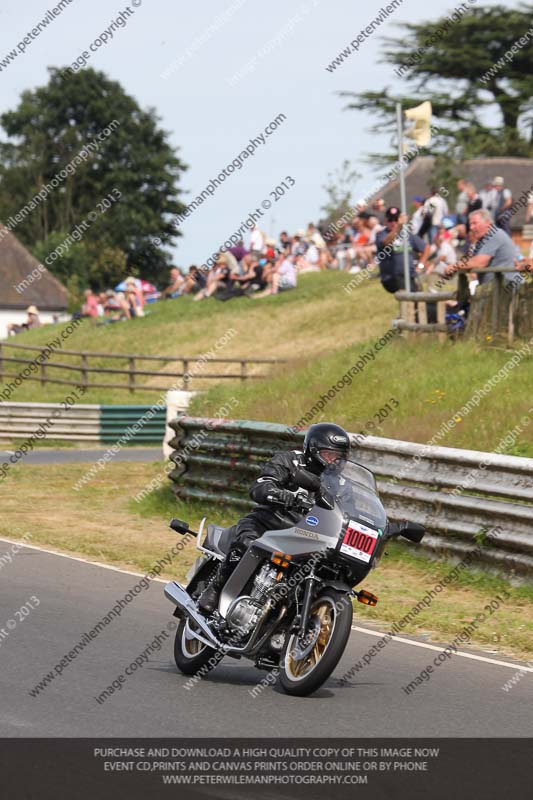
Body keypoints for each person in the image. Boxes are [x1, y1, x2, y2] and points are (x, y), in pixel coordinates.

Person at [197, 423, 351, 613]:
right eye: (329, 455)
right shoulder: (290, 461)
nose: (334, 462)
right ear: (313, 450)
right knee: (248, 543)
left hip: (307, 536)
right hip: (269, 523)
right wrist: (278, 493)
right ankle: (215, 590)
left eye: (339, 457)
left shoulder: (342, 485)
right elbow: (262, 483)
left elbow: (348, 513)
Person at [444, 209, 518, 287]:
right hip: (496, 288)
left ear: (487, 223)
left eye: (475, 223)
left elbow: (479, 262)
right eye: (470, 224)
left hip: (505, 289)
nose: (471, 227)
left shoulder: (494, 235)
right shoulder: (483, 240)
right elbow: (471, 264)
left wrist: (455, 266)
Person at [375, 207, 430, 293]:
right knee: (410, 293)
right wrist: (399, 226)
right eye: (390, 220)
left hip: (409, 276)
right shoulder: (381, 234)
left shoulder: (407, 234)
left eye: (396, 219)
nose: (393, 222)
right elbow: (386, 242)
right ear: (386, 221)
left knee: (420, 296)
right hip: (391, 279)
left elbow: (426, 248)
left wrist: (420, 266)